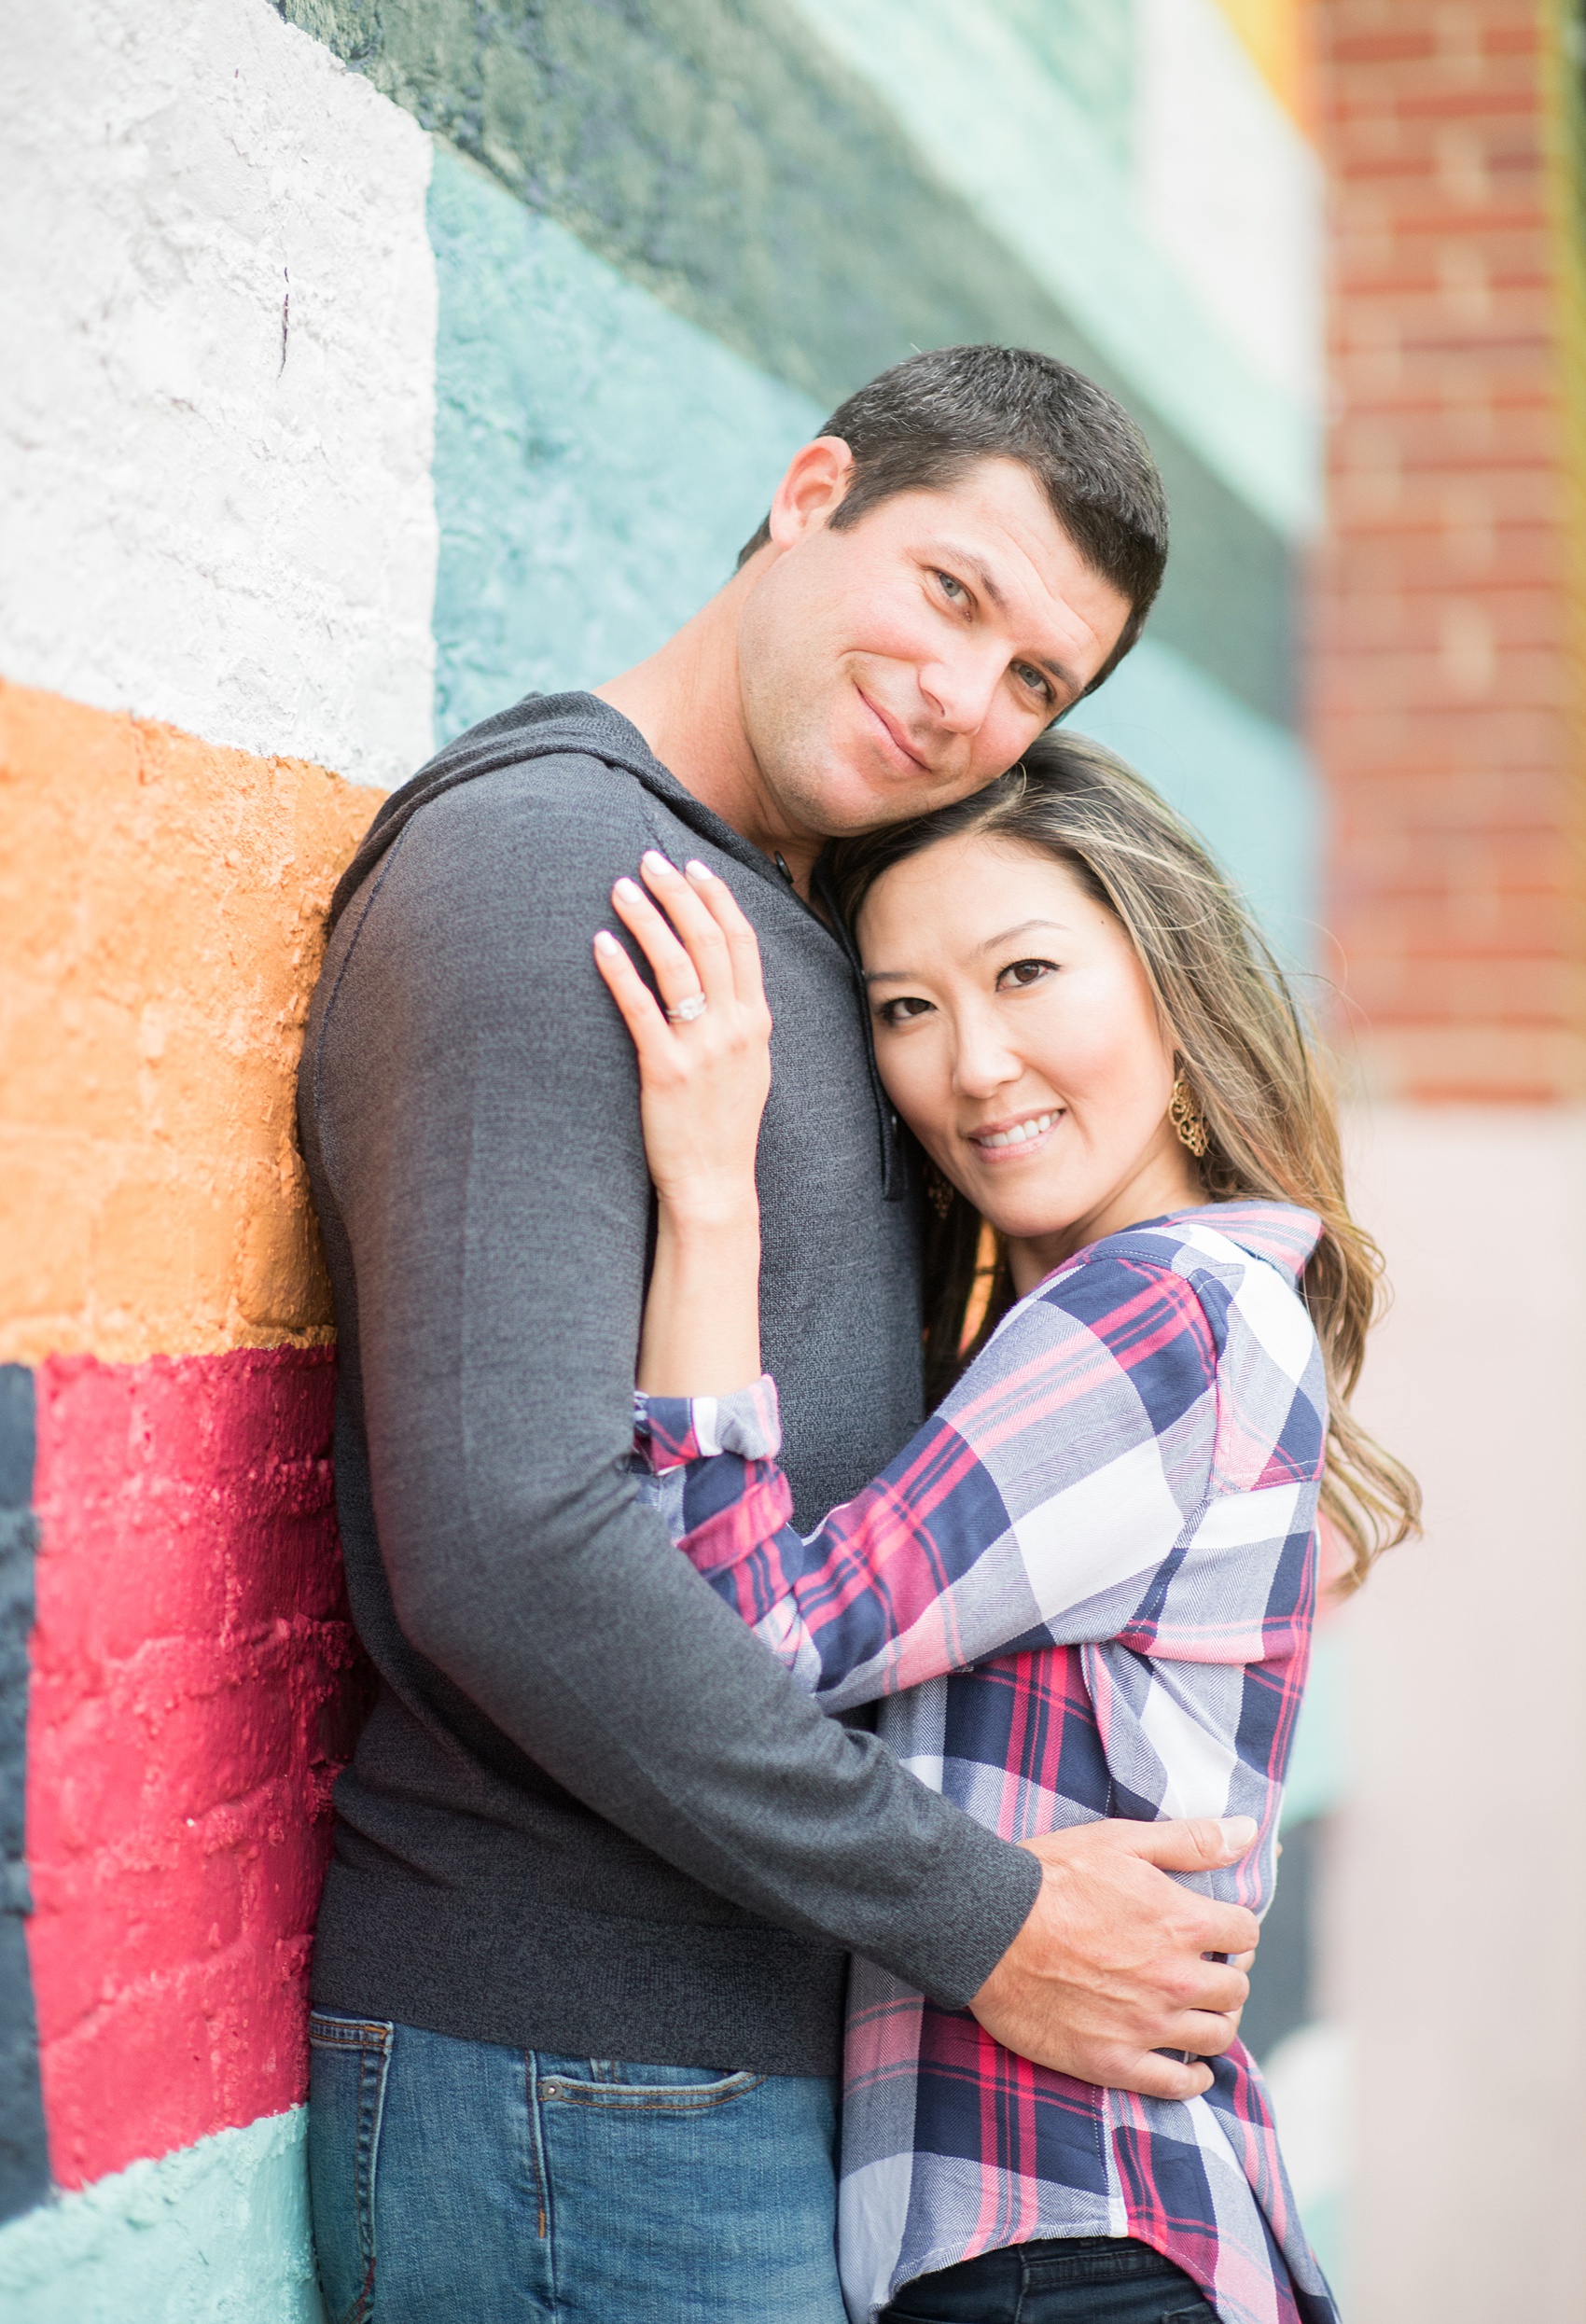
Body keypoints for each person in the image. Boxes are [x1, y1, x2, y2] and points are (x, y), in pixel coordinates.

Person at [298, 348, 1271, 2323]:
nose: (963, 698)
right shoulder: (552, 866)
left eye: (1033, 684)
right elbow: (509, 1549)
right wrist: (982, 1916)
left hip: (728, 2062)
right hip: (576, 2067)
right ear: (812, 490)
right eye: (952, 591)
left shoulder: (802, 909)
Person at [594, 730, 1420, 2324]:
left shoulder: (1159, 1314)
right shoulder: (1167, 1313)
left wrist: (707, 1191)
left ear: (1172, 994)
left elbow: (741, 1649)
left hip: (1067, 2248)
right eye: (908, 1008)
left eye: (1027, 971)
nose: (971, 1064)